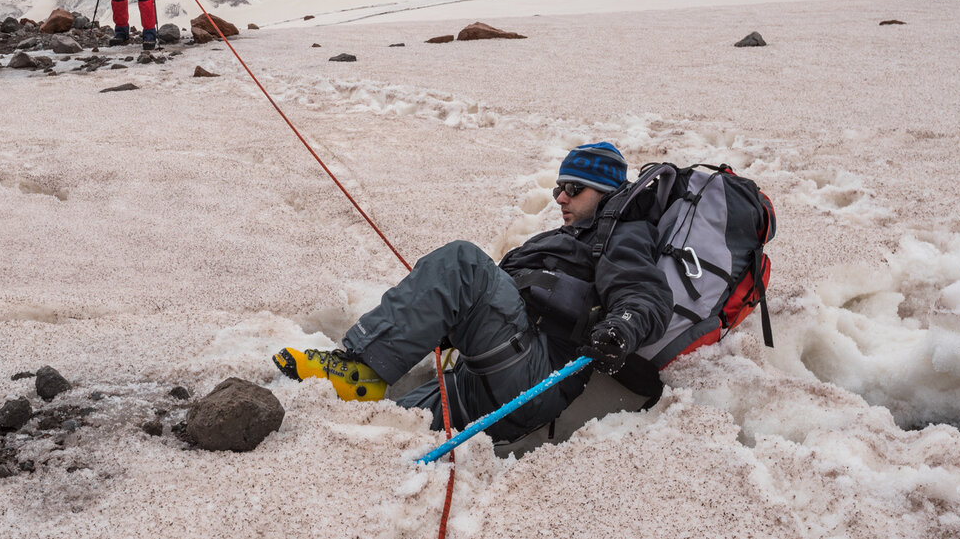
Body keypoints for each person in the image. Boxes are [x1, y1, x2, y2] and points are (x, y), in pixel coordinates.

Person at [275, 142, 673, 441]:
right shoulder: (565, 237)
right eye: (557, 189)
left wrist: (622, 326)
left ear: (605, 192)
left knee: (463, 261)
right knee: (384, 428)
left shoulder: (623, 233)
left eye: (573, 188)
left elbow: (645, 294)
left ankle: (361, 368)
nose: (561, 198)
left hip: (535, 376)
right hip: (480, 378)